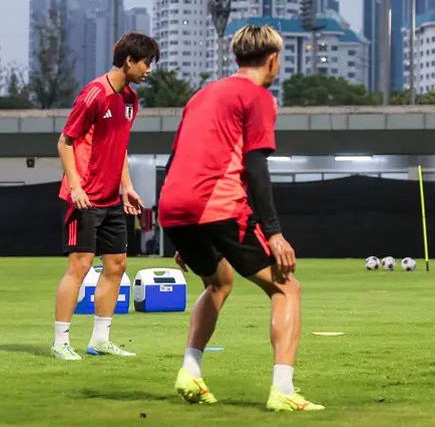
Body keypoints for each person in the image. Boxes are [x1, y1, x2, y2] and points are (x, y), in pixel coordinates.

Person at [159, 25, 323, 411]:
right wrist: (275, 233)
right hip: (218, 204)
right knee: (286, 288)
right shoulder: (258, 97)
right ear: (272, 59)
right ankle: (283, 389)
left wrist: (183, 230)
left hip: (174, 206)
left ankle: (191, 371)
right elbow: (256, 166)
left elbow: (176, 158)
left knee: (218, 280)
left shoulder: (201, 95)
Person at [51, 32, 159, 361]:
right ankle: (60, 341)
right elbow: (64, 142)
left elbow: (119, 147)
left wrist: (127, 186)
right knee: (80, 266)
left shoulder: (130, 100)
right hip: (84, 197)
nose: (149, 70)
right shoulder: (94, 94)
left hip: (112, 198)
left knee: (117, 265)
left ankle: (100, 339)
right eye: (146, 63)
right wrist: (77, 187)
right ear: (129, 61)